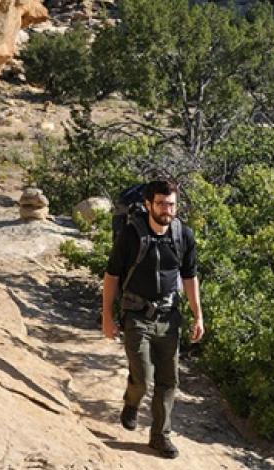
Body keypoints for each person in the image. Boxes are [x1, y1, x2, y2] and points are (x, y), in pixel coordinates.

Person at [100, 180, 205, 459]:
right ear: (148, 204)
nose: (166, 209)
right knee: (144, 379)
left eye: (170, 204)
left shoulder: (184, 235)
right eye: (160, 203)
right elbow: (112, 276)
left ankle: (160, 436)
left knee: (169, 381)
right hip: (136, 315)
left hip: (169, 317)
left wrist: (198, 315)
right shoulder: (132, 235)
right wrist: (107, 317)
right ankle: (132, 401)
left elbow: (189, 277)